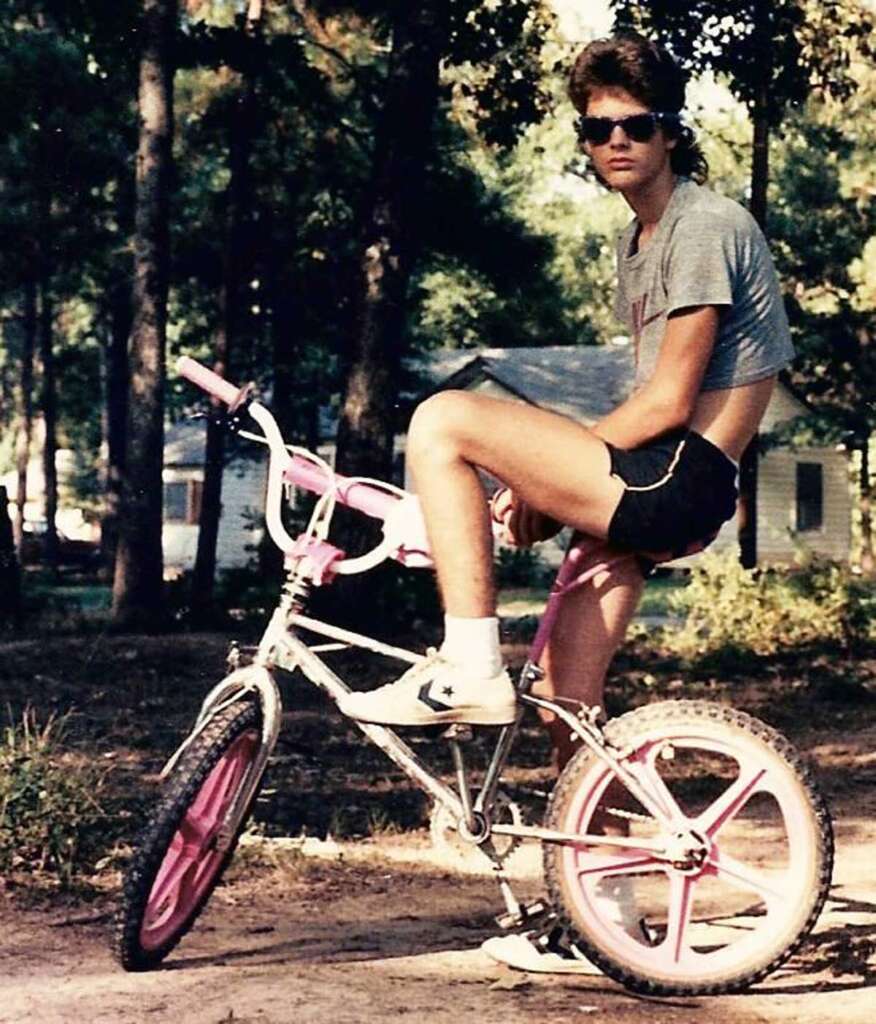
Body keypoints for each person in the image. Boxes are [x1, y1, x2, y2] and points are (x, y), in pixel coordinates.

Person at [338, 29, 794, 967]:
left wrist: (543, 476)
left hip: (679, 473)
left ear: (671, 133)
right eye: (597, 129)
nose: (615, 142)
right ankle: (607, 916)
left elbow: (669, 399)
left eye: (636, 124)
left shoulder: (703, 224)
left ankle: (469, 666)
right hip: (664, 476)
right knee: (570, 711)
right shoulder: (647, 238)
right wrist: (550, 491)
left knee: (445, 420)